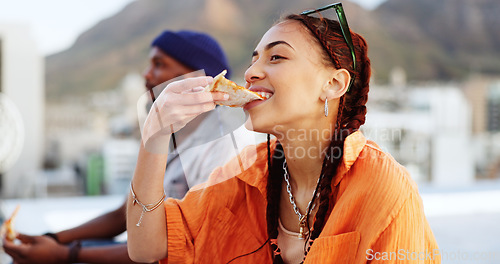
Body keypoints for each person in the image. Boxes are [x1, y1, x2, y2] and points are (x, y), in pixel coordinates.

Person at [126, 3, 441, 264]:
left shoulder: (382, 186)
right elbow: (147, 248)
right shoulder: (244, 175)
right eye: (254, 60)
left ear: (333, 84)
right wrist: (154, 134)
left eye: (276, 57)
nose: (250, 73)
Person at [3, 30, 250, 264]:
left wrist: (65, 254)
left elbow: (172, 248)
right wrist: (53, 238)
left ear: (198, 80)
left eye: (159, 64)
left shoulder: (223, 150)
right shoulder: (172, 133)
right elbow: (127, 212)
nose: (146, 74)